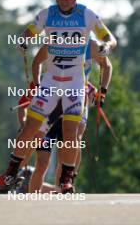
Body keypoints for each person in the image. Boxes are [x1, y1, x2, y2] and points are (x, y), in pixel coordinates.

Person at [0, 0, 117, 193]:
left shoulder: (86, 14)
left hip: (75, 83)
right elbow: (29, 32)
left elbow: (110, 38)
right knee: (29, 128)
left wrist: (106, 46)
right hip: (50, 82)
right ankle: (10, 174)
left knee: (71, 132)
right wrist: (23, 41)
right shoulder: (46, 14)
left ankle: (66, 179)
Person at [29, 39, 112, 193]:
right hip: (52, 105)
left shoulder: (90, 45)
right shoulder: (57, 40)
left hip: (76, 101)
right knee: (42, 162)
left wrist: (102, 92)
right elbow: (36, 62)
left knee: (74, 141)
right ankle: (31, 198)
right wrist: (38, 86)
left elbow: (107, 66)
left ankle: (64, 186)